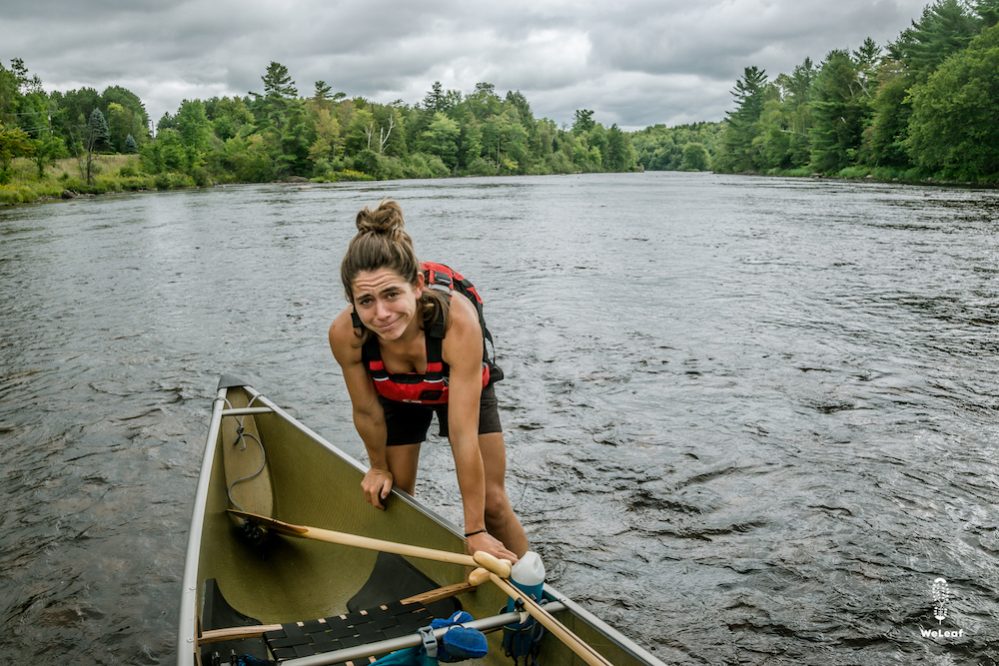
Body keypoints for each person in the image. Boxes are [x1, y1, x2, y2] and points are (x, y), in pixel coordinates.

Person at [329, 200, 527, 562]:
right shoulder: (346, 335)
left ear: (417, 286)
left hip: (458, 385)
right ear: (352, 302)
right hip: (396, 393)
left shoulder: (458, 325)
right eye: (366, 301)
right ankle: (411, 577)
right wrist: (377, 467)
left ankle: (534, 590)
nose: (382, 314)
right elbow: (367, 411)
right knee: (395, 497)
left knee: (493, 504)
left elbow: (463, 435)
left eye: (391, 294)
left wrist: (475, 530)